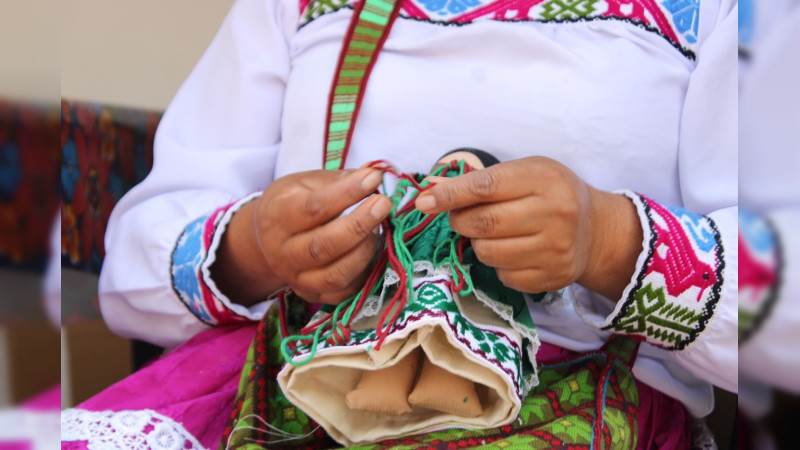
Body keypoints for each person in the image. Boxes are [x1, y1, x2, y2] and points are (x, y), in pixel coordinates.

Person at [61, 0, 738, 448]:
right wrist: (258, 247)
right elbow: (136, 263)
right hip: (294, 388)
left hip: (580, 406)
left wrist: (613, 242)